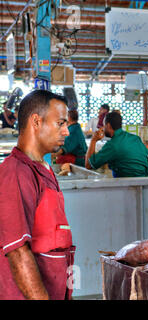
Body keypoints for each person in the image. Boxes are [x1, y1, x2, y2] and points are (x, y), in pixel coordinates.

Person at [0, 90, 76, 300]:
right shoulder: (16, 172)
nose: (66, 132)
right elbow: (17, 251)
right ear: (36, 121)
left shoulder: (43, 169)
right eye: (60, 123)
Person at [85, 112, 148, 177]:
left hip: (128, 184)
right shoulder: (136, 138)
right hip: (146, 181)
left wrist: (93, 140)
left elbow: (88, 165)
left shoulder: (112, 145)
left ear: (108, 125)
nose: (103, 128)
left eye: (104, 125)